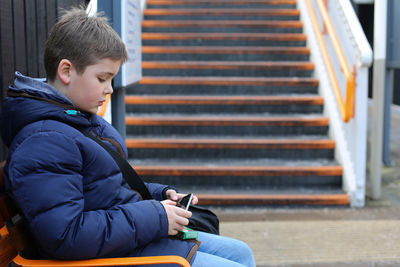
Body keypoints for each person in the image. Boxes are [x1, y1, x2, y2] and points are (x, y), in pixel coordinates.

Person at [0, 7, 255, 267]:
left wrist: (162, 195)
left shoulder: (74, 118)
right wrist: (156, 217)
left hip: (124, 242)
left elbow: (109, 188)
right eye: (102, 78)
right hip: (104, 257)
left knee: (241, 253)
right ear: (66, 71)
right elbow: (67, 235)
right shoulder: (44, 141)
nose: (109, 89)